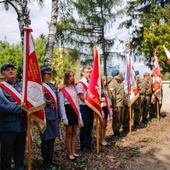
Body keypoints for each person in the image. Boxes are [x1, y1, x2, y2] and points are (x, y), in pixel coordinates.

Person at [0, 62, 27, 170]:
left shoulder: (22, 87)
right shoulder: (1, 88)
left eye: (12, 69)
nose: (11, 71)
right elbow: (1, 106)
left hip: (22, 126)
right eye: (7, 70)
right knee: (6, 156)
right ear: (3, 74)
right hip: (7, 128)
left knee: (20, 155)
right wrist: (20, 107)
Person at [59, 70, 83, 160]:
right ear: (66, 78)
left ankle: (73, 151)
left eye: (73, 76)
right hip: (67, 110)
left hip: (74, 110)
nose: (72, 78)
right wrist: (64, 117)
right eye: (70, 76)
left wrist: (80, 116)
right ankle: (69, 153)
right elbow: (61, 104)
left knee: (74, 132)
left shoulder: (74, 88)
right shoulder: (62, 89)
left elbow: (77, 102)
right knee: (68, 133)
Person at [40, 66, 61, 169]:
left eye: (50, 73)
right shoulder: (39, 86)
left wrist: (59, 114)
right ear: (43, 75)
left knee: (52, 139)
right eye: (48, 73)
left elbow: (57, 101)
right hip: (44, 115)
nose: (50, 75)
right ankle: (45, 162)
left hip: (53, 113)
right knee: (45, 139)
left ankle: (50, 161)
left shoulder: (53, 86)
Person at [76, 66, 94, 153]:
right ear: (83, 73)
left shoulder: (91, 83)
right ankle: (83, 145)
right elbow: (81, 96)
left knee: (90, 126)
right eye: (86, 72)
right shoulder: (80, 84)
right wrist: (89, 102)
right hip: (84, 107)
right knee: (84, 127)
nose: (88, 73)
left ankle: (89, 143)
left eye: (89, 72)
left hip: (91, 107)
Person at [108, 69, 125, 138]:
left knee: (120, 118)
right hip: (117, 104)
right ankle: (115, 132)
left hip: (121, 103)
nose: (119, 75)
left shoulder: (119, 82)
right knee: (116, 119)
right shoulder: (112, 84)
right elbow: (112, 96)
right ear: (114, 76)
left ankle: (118, 131)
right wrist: (114, 106)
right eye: (118, 75)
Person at [100, 76, 112, 145]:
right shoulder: (99, 90)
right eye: (103, 80)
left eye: (105, 80)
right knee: (101, 124)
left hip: (106, 107)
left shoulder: (107, 90)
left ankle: (104, 138)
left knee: (105, 124)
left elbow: (109, 100)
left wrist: (110, 110)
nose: (104, 82)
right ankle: (101, 139)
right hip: (101, 107)